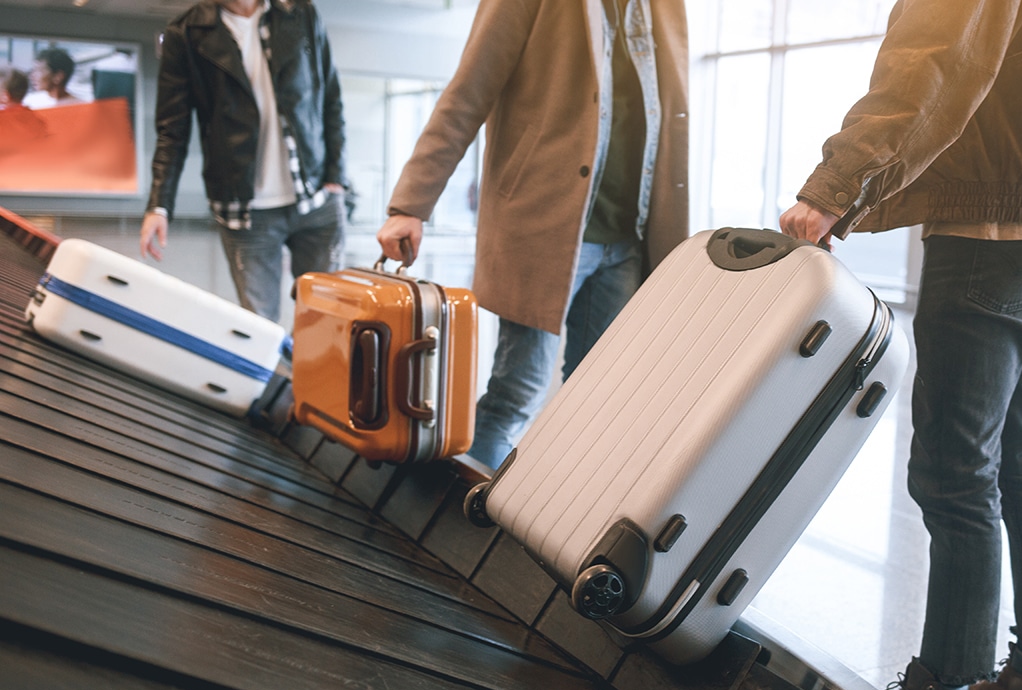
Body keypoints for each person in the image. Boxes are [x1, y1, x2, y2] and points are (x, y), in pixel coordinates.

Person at [779, 1, 1022, 690]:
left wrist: (834, 187)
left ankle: (942, 689)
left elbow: (933, 58)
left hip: (989, 228)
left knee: (955, 470)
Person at [376, 0, 689, 470]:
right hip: (545, 230)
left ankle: (553, 515)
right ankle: (464, 525)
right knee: (517, 393)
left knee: (594, 404)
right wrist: (410, 205)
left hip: (630, 238)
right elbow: (466, 95)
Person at [141, 0, 347, 322]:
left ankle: (309, 374)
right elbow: (172, 130)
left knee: (327, 320)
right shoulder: (186, 33)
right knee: (259, 326)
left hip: (316, 199)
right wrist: (159, 204)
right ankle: (277, 375)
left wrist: (337, 175)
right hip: (245, 211)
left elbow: (330, 97)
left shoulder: (299, 12)